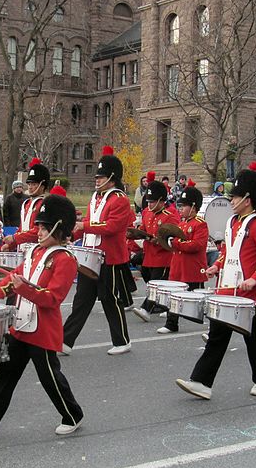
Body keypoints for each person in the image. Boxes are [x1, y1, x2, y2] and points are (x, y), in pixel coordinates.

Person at [0, 195, 84, 439]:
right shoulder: (35, 252)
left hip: (43, 331)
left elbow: (52, 298)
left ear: (58, 229)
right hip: (21, 324)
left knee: (50, 378)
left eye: (44, 228)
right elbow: (17, 274)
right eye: (39, 226)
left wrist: (23, 288)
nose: (38, 231)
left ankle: (73, 414)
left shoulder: (66, 259)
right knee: (7, 374)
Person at [176, 165, 256, 400]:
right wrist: (218, 265)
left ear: (248, 199)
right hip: (227, 289)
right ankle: (202, 382)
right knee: (217, 336)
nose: (231, 200)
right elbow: (230, 252)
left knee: (253, 339)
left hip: (249, 294)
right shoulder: (232, 223)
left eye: (235, 196)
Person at [63, 146, 136, 355]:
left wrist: (83, 226)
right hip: (90, 255)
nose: (97, 180)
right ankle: (66, 341)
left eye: (101, 176)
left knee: (110, 299)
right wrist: (73, 235)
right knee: (81, 300)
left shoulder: (120, 199)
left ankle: (122, 341)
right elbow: (88, 223)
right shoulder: (96, 198)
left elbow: (112, 227)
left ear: (112, 178)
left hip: (110, 258)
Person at [158, 181, 209, 334]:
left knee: (198, 299)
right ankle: (171, 323)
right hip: (178, 266)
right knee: (174, 296)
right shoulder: (181, 224)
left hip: (192, 267)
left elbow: (197, 245)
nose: (180, 209)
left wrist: (176, 242)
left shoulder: (200, 224)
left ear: (193, 206)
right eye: (179, 206)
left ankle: (213, 322)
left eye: (183, 206)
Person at [132, 176, 178, 322]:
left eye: (152, 201)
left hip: (163, 257)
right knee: (151, 280)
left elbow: (173, 237)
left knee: (155, 283)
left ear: (161, 201)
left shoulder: (170, 216)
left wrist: (158, 240)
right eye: (149, 201)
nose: (150, 204)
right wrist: (136, 232)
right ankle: (165, 305)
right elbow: (143, 229)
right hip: (149, 255)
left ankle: (146, 308)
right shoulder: (147, 213)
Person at [2, 158, 49, 250]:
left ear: (42, 186)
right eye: (29, 184)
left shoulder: (44, 203)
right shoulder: (27, 203)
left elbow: (39, 230)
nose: (30, 187)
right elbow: (22, 228)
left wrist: (15, 238)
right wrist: (10, 245)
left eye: (34, 184)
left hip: (37, 248)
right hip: (23, 249)